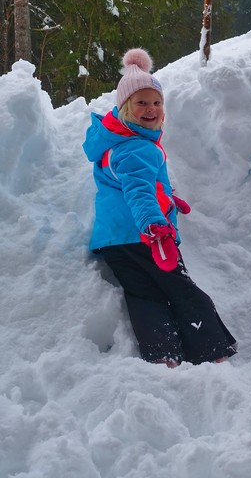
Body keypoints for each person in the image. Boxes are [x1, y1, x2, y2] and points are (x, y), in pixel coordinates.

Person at [83, 48, 237, 366]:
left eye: (156, 102)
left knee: (145, 296)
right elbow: (139, 192)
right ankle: (211, 350)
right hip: (146, 237)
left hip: (115, 240)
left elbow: (130, 185)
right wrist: (154, 223)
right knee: (184, 291)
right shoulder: (137, 148)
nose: (150, 109)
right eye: (141, 103)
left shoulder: (118, 143)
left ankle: (164, 354)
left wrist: (167, 200)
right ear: (125, 108)